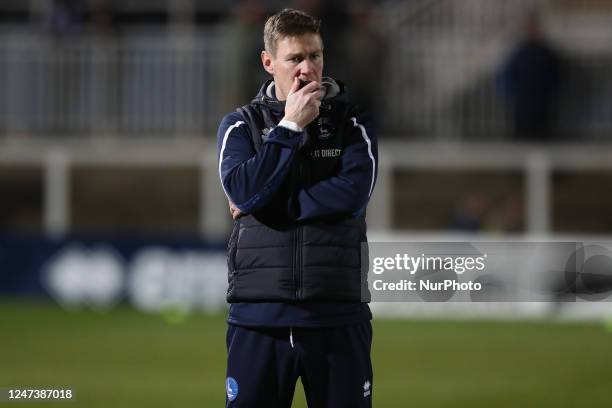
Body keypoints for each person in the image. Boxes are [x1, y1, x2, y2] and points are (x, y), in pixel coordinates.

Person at [216, 8, 378, 408]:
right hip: (259, 318)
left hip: (336, 315)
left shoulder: (351, 122)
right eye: (295, 59)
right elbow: (241, 187)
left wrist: (268, 205)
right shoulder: (241, 126)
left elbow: (352, 195)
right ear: (269, 63)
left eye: (315, 56)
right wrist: (289, 130)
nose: (308, 68)